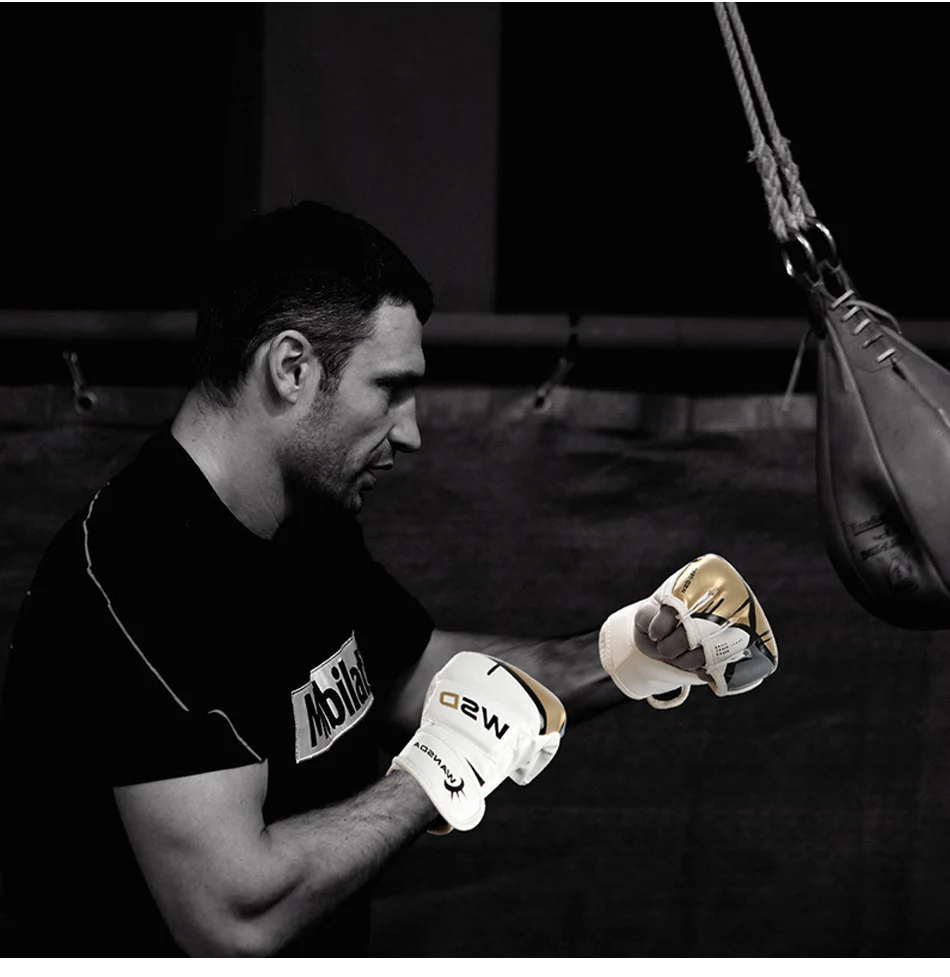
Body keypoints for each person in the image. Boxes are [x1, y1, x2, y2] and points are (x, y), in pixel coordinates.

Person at [0, 202, 777, 958]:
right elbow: (233, 917)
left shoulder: (306, 522)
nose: (410, 431)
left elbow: (412, 676)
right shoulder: (136, 573)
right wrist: (438, 770)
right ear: (292, 368)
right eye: (390, 388)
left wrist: (634, 650)